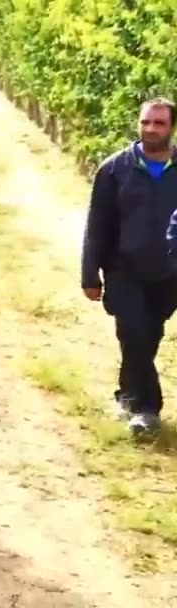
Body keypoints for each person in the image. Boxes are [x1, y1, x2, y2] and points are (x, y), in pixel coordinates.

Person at [82, 97, 177, 436]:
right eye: (146, 122)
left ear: (171, 127)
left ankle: (127, 393)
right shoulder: (114, 169)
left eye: (159, 123)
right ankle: (146, 409)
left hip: (169, 274)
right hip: (124, 270)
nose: (150, 129)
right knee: (134, 332)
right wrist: (90, 275)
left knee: (147, 336)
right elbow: (98, 226)